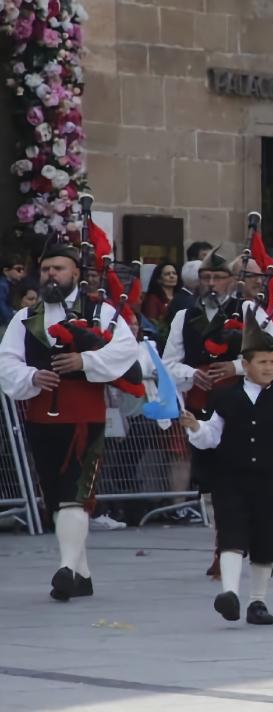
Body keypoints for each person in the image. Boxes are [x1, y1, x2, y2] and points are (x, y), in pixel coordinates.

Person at [0, 237, 138, 600]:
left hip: (85, 417)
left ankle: (64, 569)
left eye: (57, 269)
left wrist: (85, 362)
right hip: (41, 417)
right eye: (45, 269)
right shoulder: (25, 317)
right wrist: (31, 377)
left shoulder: (100, 310)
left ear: (75, 272)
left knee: (76, 494)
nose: (50, 275)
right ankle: (81, 573)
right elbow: (6, 360)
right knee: (58, 495)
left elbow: (126, 349)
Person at [179, 323, 273, 626]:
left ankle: (257, 601)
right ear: (245, 365)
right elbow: (213, 435)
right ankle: (229, 594)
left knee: (266, 542)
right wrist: (196, 427)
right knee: (231, 535)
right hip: (231, 479)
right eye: (263, 362)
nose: (269, 368)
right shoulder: (225, 398)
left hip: (272, 483)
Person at [0, 253, 26, 323]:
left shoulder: (14, 284)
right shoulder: (2, 286)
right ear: (6, 271)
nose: (22, 272)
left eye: (23, 269)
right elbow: (2, 307)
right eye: (18, 269)